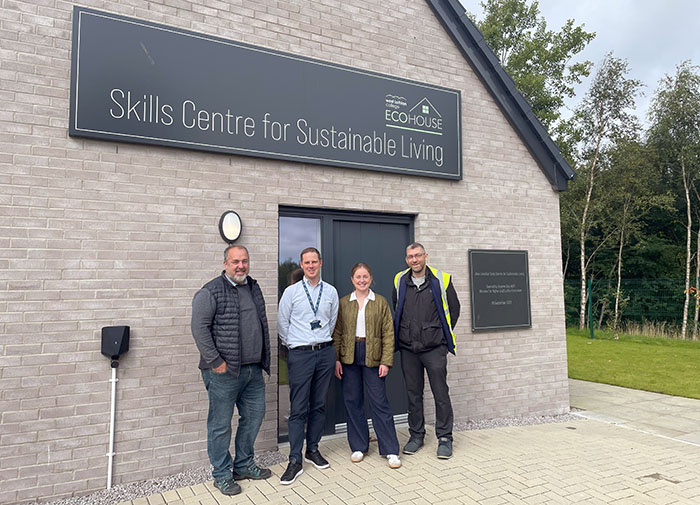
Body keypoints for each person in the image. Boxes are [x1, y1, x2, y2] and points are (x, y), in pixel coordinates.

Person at [190, 245, 272, 497]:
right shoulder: (210, 291)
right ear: (225, 263)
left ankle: (244, 464)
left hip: (252, 370)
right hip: (223, 372)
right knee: (220, 425)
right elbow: (199, 328)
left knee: (255, 416)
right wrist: (215, 360)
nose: (241, 266)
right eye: (235, 261)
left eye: (244, 261)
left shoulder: (253, 287)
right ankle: (222, 474)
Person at [392, 242, 460, 459]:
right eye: (410, 256)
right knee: (413, 395)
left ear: (425, 256)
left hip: (434, 349)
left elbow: (454, 310)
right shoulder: (400, 281)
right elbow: (397, 309)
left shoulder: (442, 280)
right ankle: (416, 436)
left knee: (441, 393)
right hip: (409, 349)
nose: (414, 260)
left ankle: (445, 437)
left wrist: (438, 336)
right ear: (406, 259)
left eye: (418, 255)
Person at [277, 247, 339, 485]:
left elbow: (332, 321)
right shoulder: (292, 292)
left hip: (324, 352)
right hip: (300, 355)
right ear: (301, 265)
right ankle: (295, 460)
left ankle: (312, 450)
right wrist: (295, 344)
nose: (311, 266)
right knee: (298, 408)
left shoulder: (331, 292)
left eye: (315, 261)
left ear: (320, 263)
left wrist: (320, 340)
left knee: (319, 404)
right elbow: (283, 323)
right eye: (307, 262)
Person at [332, 263, 401, 469]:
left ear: (371, 278)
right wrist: (336, 359)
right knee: (353, 402)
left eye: (365, 276)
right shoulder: (344, 302)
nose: (361, 280)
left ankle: (390, 449)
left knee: (379, 403)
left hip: (374, 357)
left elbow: (389, 334)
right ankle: (359, 446)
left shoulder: (380, 302)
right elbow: (337, 333)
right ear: (352, 279)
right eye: (357, 277)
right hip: (349, 357)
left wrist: (386, 361)